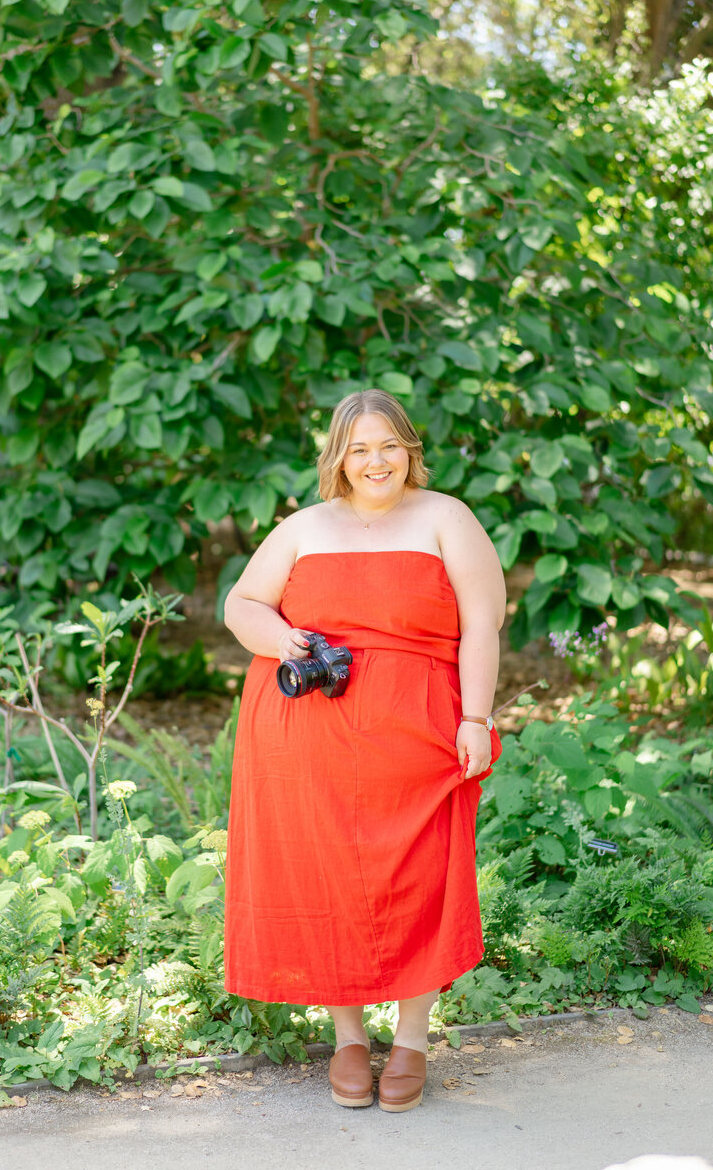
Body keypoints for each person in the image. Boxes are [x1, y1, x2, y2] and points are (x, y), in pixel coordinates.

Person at [223, 388, 505, 1112]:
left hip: (419, 739)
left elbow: (481, 625)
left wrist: (476, 717)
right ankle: (349, 1039)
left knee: (419, 881)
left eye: (388, 446)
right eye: (359, 449)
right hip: (309, 741)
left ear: (409, 449)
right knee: (326, 885)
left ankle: (411, 1041)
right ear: (338, 459)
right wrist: (281, 639)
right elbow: (241, 605)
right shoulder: (304, 527)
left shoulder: (447, 518)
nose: (375, 461)